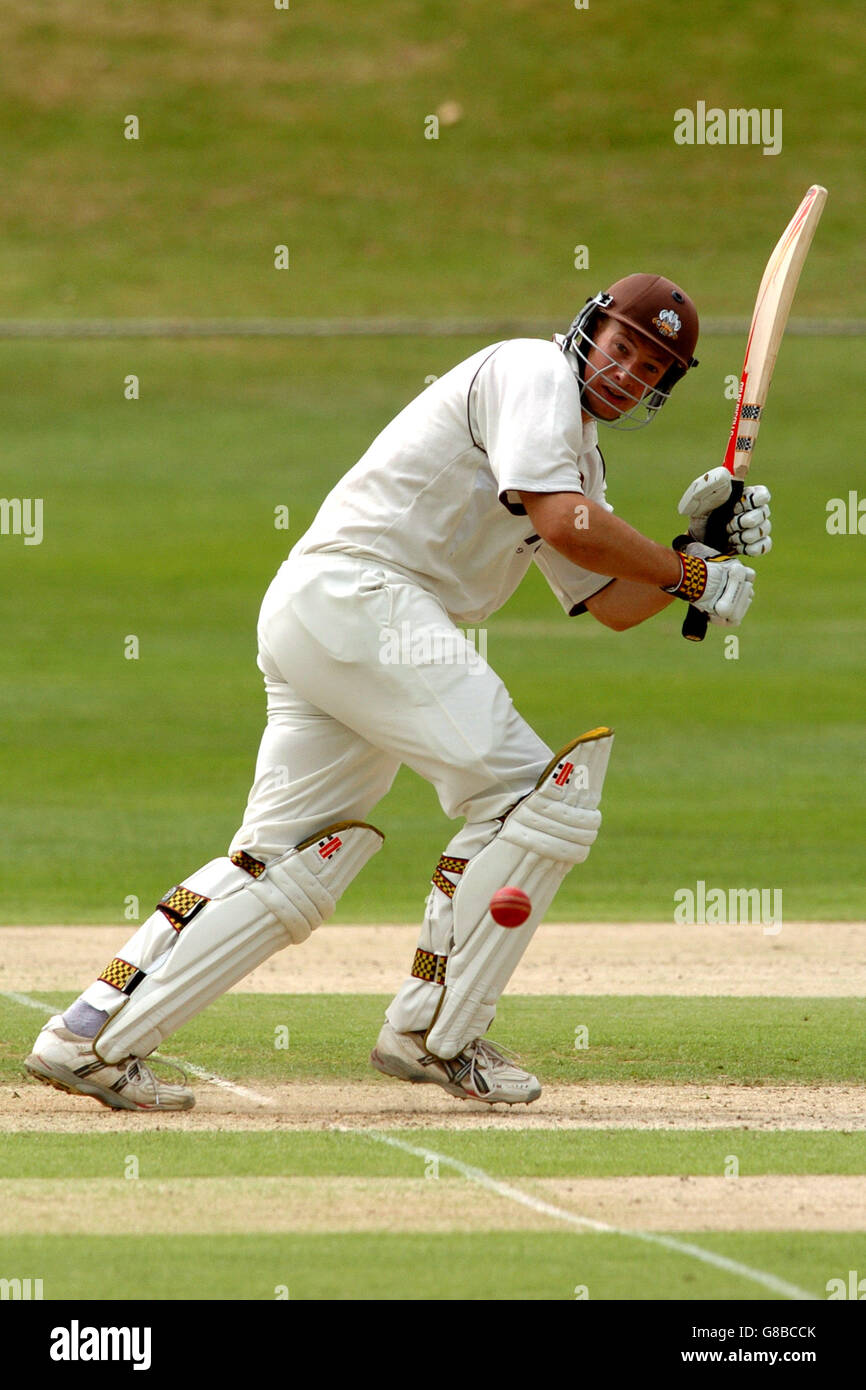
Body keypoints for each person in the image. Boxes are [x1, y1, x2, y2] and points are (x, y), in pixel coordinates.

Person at [25, 274, 771, 1112]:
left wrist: (695, 549)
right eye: (624, 345)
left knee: (287, 863)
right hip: (370, 602)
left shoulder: (573, 456)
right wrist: (692, 573)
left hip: (332, 618)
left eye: (651, 367)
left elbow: (612, 604)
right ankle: (434, 1033)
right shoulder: (533, 373)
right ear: (589, 330)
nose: (628, 370)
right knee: (537, 797)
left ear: (660, 391)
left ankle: (90, 1036)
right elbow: (570, 528)